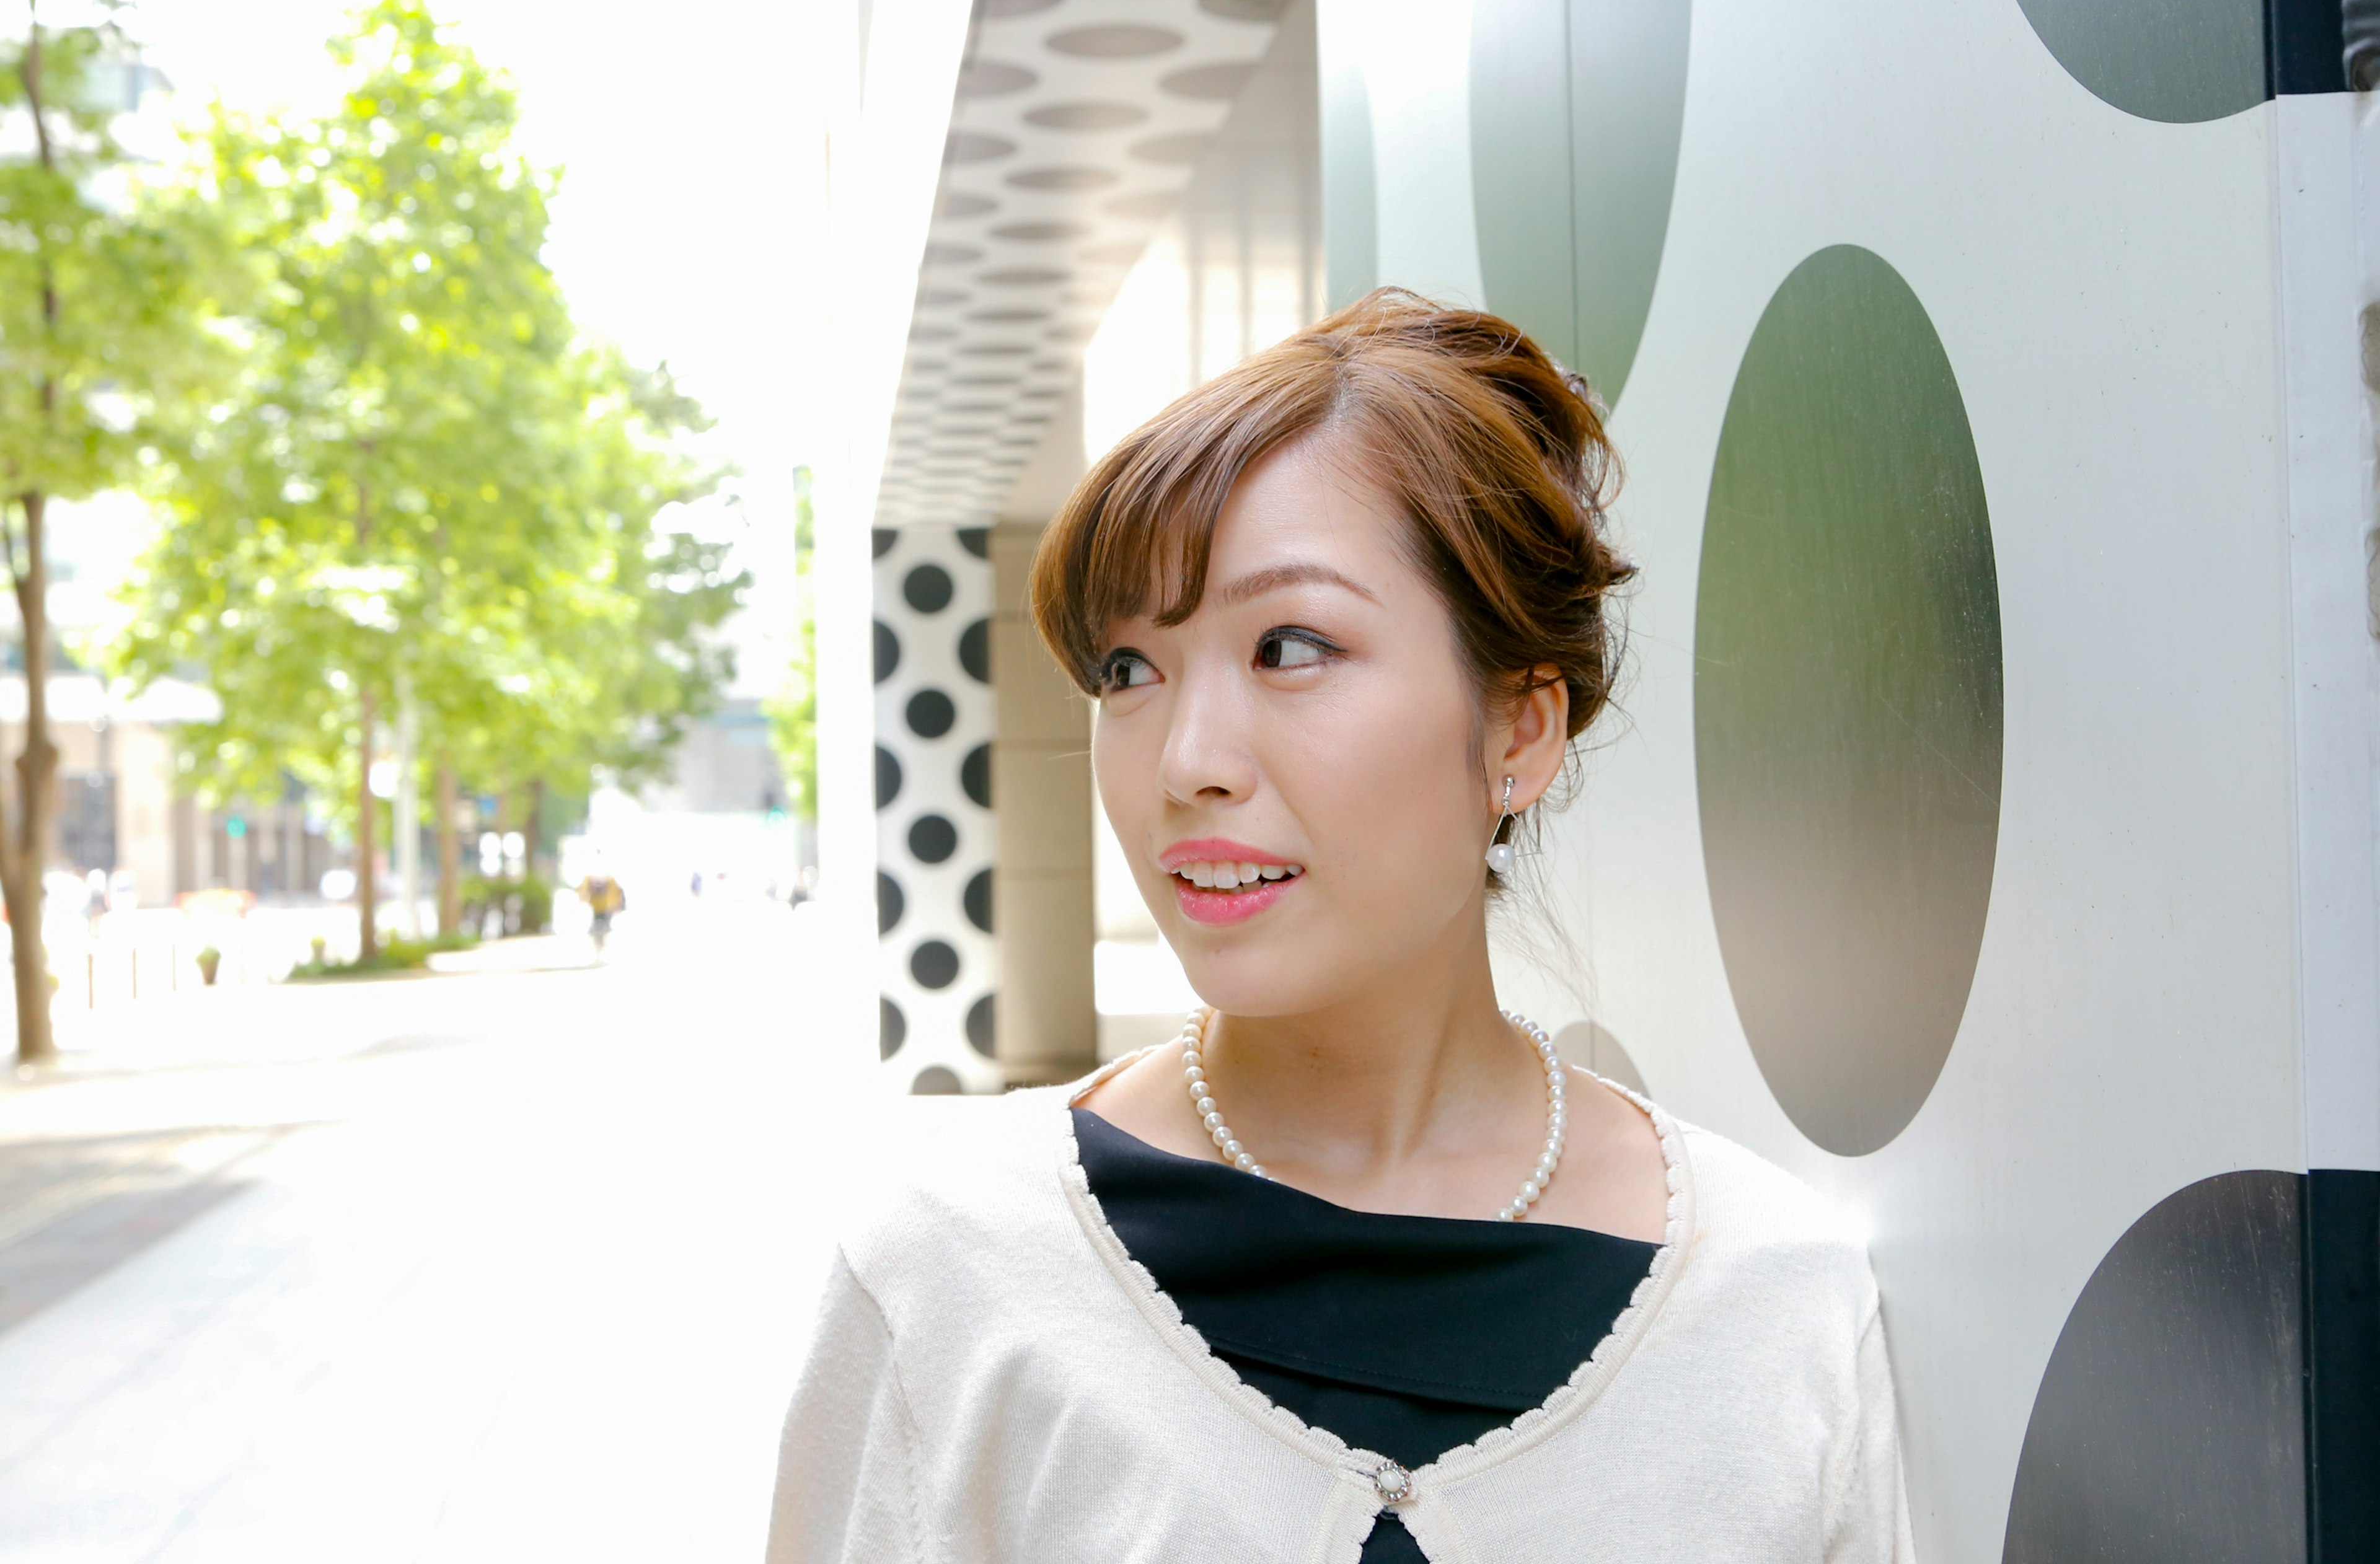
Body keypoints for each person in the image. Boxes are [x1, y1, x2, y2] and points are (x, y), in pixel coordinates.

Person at [768, 291, 1911, 1562]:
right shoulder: (948, 1270)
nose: (1187, 759)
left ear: (1519, 730)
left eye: (1291, 645)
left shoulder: (1773, 1299)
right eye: (1128, 670)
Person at [577, 871, 624, 953]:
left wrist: (583, 898)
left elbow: (582, 890)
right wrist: (617, 904)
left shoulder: (589, 879)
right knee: (605, 925)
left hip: (596, 905)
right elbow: (617, 892)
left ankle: (597, 941)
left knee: (597, 924)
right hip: (606, 906)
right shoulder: (610, 879)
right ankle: (601, 941)